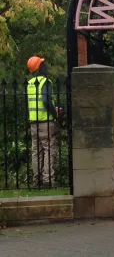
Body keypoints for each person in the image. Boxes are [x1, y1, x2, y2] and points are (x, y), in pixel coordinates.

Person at [27, 56, 61, 187]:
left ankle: (37, 180)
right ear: (41, 67)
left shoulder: (30, 83)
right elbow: (46, 101)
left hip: (33, 122)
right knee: (48, 150)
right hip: (45, 122)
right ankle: (48, 180)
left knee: (36, 152)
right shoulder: (45, 82)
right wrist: (55, 113)